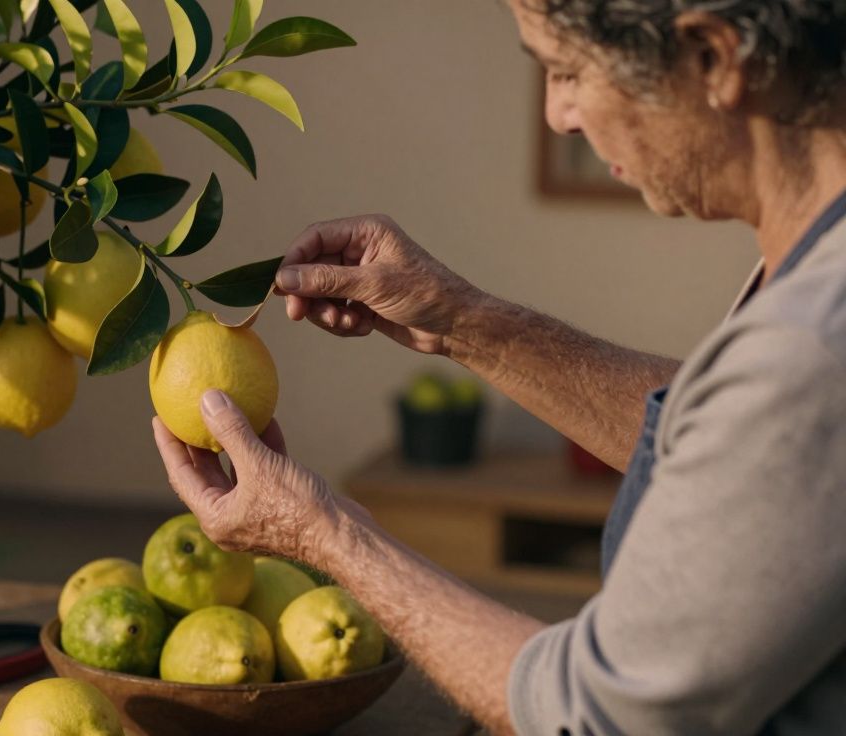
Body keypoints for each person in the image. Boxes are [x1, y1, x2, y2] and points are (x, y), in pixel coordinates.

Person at [151, 1, 846, 734]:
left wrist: (324, 533)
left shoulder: (814, 346)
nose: (557, 116)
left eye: (567, 72)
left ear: (713, 58)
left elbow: (595, 714)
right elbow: (735, 441)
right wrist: (462, 322)